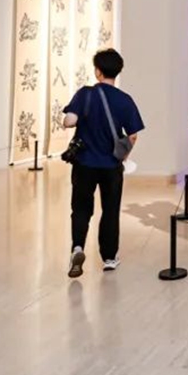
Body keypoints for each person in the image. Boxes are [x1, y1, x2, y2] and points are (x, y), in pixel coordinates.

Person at [62, 49, 144, 277]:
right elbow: (133, 134)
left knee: (80, 208)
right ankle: (109, 257)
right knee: (110, 210)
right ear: (117, 72)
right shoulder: (125, 100)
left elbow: (70, 120)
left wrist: (68, 121)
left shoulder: (85, 94)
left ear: (97, 71)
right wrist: (123, 156)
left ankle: (77, 247)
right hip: (111, 166)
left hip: (84, 163)